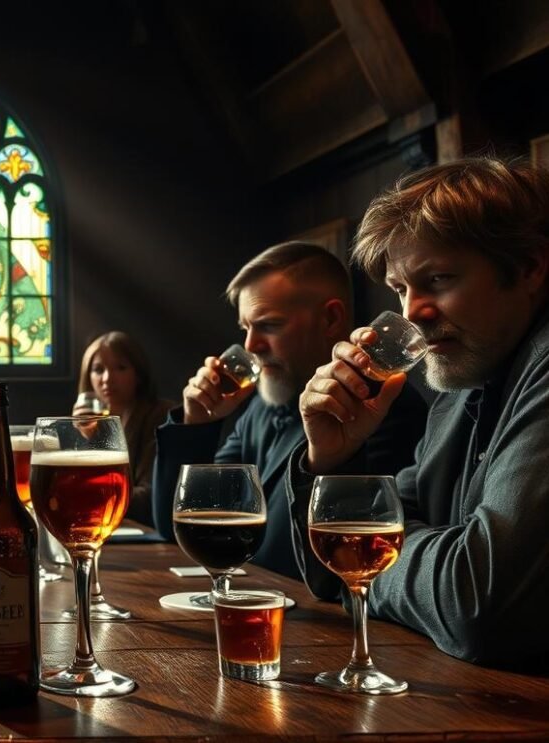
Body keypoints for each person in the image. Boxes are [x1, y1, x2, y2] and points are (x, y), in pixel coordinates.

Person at [288, 158, 549, 668]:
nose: (412, 314)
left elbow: (473, 601)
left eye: (440, 279)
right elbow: (329, 574)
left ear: (530, 267)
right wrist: (334, 458)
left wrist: (372, 557)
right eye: (401, 289)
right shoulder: (461, 384)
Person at [151, 241, 427, 579]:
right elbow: (179, 523)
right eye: (245, 328)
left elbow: (327, 568)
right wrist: (194, 425)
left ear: (331, 318)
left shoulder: (380, 408)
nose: (251, 346)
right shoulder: (260, 409)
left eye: (268, 325)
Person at [72, 331, 174, 526]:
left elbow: (149, 499)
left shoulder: (162, 416)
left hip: (151, 536)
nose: (107, 378)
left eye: (120, 367)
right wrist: (86, 440)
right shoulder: (87, 423)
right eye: (98, 369)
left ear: (139, 374)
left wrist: (86, 495)